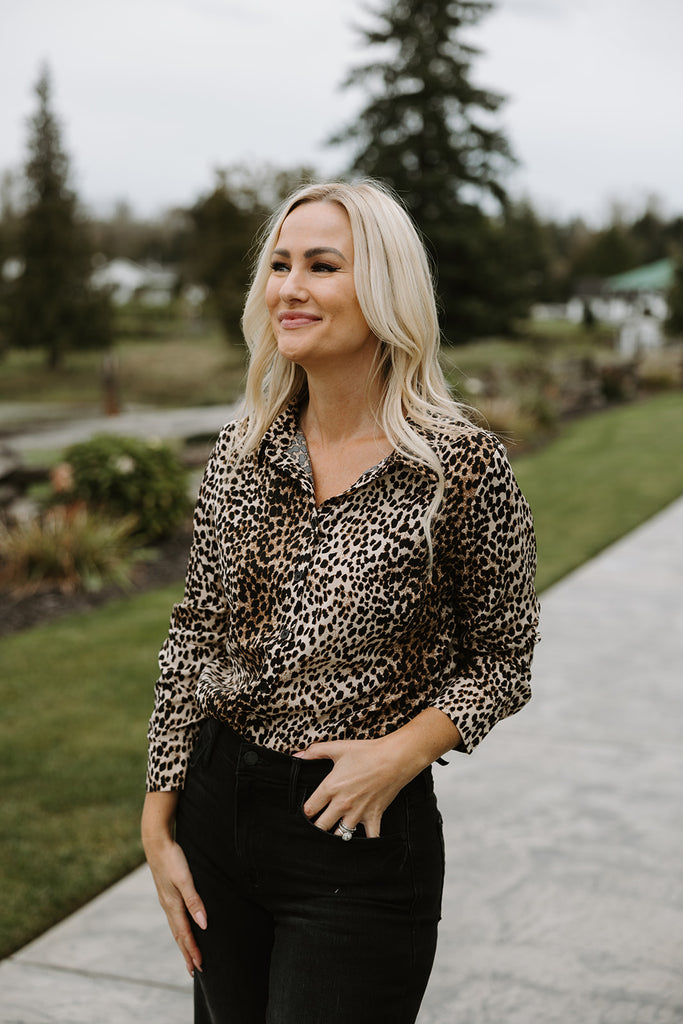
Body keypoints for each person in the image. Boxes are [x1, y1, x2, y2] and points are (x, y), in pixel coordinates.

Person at [141, 180, 540, 1024]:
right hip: (217, 813)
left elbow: (503, 660)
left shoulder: (458, 466)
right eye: (280, 265)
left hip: (354, 843)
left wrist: (400, 754)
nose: (289, 287)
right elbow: (192, 640)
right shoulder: (241, 450)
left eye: (322, 266)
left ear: (384, 289)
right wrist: (158, 820)